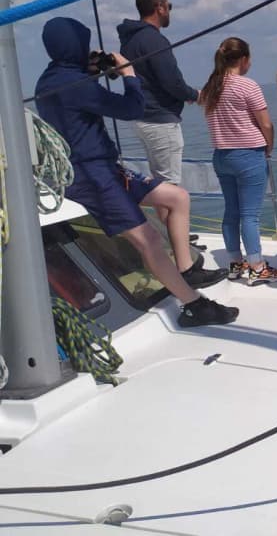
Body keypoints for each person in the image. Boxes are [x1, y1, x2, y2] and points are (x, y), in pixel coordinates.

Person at [35, 17, 236, 328]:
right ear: (74, 46)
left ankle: (186, 269)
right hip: (93, 177)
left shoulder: (53, 79)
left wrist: (90, 69)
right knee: (149, 240)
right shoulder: (75, 85)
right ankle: (194, 306)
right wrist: (129, 76)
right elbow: (132, 109)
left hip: (103, 169)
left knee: (176, 197)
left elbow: (76, 100)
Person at [201, 37, 277, 286]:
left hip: (221, 156)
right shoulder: (247, 86)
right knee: (250, 215)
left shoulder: (211, 86)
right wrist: (269, 146)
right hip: (248, 154)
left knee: (231, 212)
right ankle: (257, 267)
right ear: (244, 59)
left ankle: (235, 264)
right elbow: (266, 124)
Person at [117, 0, 199, 185]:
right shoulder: (154, 40)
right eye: (169, 6)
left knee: (160, 182)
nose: (169, 10)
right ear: (160, 7)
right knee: (169, 185)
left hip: (142, 117)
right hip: (160, 120)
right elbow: (171, 81)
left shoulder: (130, 40)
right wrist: (194, 95)